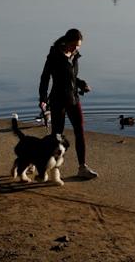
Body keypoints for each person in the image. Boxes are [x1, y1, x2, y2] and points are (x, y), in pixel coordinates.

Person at [38, 28, 98, 179]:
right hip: (58, 99)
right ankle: (44, 165)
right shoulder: (54, 56)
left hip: (73, 99)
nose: (75, 49)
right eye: (73, 45)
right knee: (57, 136)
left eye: (78, 46)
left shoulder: (74, 55)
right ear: (66, 42)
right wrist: (43, 99)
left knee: (80, 130)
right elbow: (45, 78)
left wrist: (81, 83)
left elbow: (71, 77)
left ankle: (82, 167)